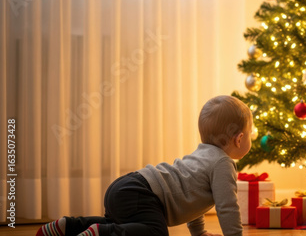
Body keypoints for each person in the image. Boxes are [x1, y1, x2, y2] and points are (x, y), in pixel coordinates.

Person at [37, 95, 253, 236]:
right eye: (251, 133)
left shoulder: (203, 154)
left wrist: (199, 233)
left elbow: (193, 200)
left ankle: (67, 227)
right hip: (142, 193)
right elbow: (227, 208)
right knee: (155, 232)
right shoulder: (223, 164)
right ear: (239, 138)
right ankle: (100, 234)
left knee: (121, 223)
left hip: (127, 187)